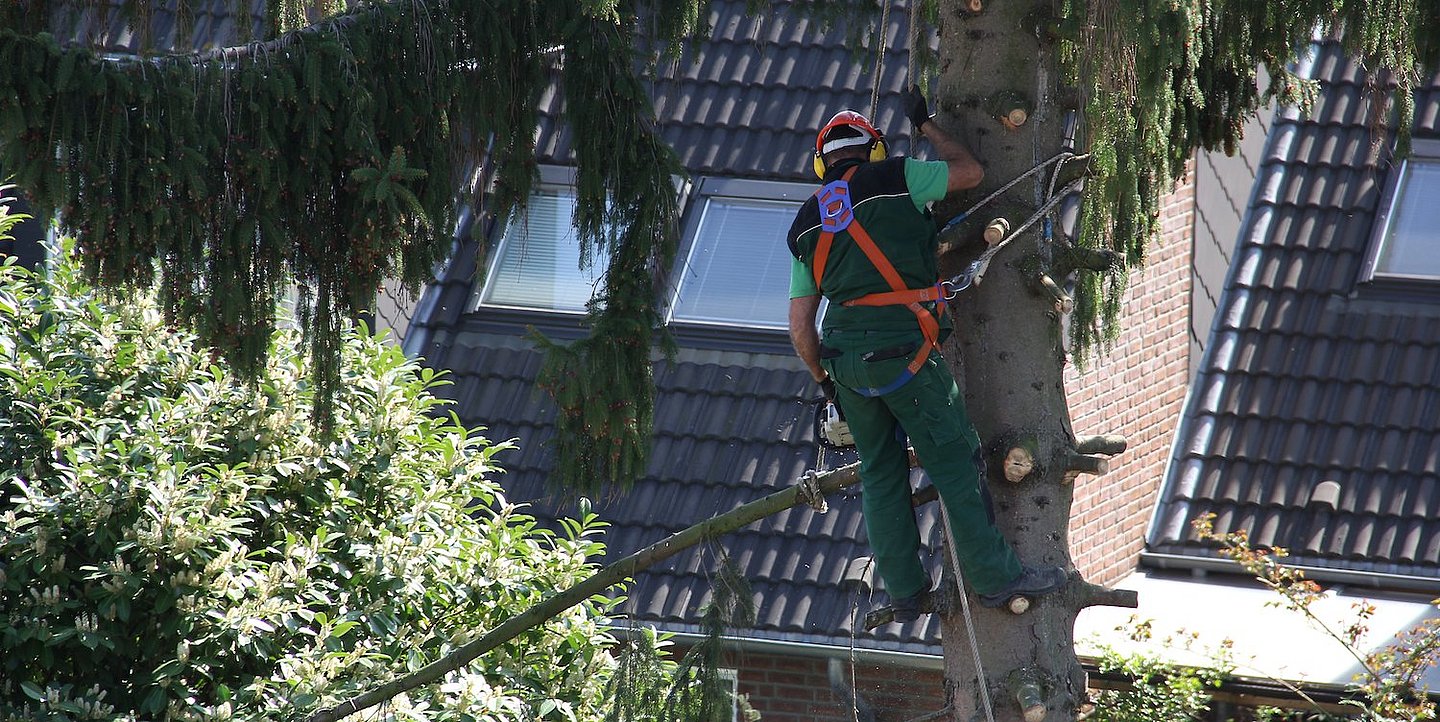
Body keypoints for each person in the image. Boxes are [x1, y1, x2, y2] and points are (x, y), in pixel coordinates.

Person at [786, 87, 1066, 621]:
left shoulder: (805, 223)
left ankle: (906, 593)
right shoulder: (897, 176)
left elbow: (801, 326)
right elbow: (969, 173)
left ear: (822, 161)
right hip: (905, 353)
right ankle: (996, 579)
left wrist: (825, 378)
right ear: (872, 150)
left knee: (879, 471)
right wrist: (929, 126)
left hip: (844, 361)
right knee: (956, 463)